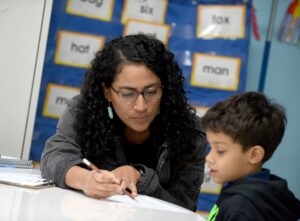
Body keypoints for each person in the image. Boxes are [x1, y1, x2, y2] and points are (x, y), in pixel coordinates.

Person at [40, 34, 207, 211]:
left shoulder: (190, 131)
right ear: (107, 92)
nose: (141, 106)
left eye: (151, 92)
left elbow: (184, 209)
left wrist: (139, 175)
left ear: (165, 89)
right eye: (128, 94)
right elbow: (54, 156)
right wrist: (86, 180)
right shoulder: (83, 110)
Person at [202, 92, 300, 221]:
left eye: (220, 150)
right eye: (210, 148)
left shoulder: (241, 209)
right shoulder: (261, 192)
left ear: (254, 155)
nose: (209, 158)